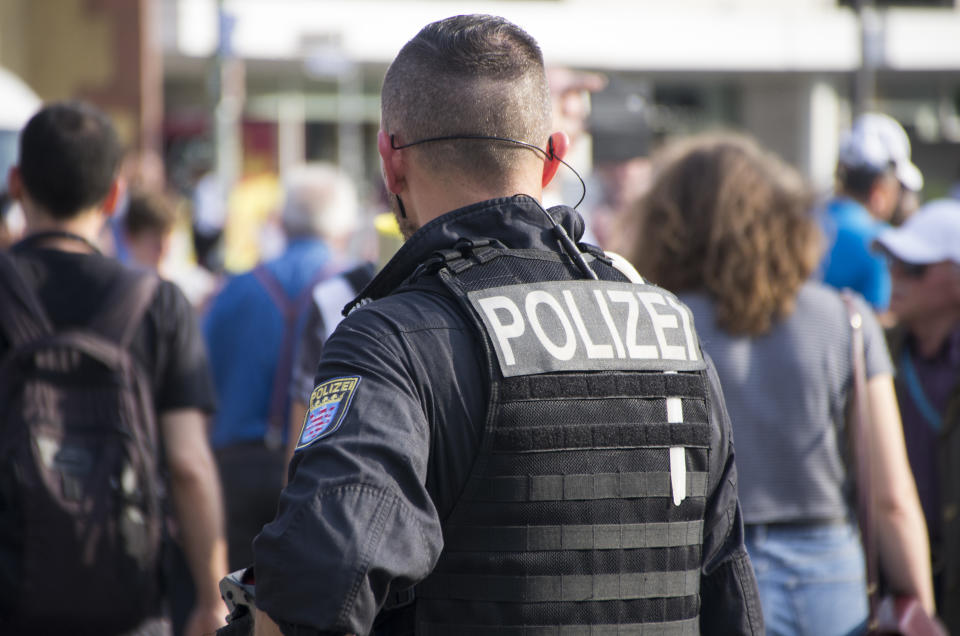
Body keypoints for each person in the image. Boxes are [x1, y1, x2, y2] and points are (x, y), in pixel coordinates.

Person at [249, 15, 762, 636]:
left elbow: (318, 592)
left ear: (391, 162)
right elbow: (729, 586)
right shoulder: (668, 327)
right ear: (554, 159)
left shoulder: (391, 342)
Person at [625, 132, 935, 635]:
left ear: (667, 222)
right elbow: (892, 497)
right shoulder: (848, 320)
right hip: (830, 575)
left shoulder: (652, 325)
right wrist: (920, 609)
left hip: (703, 570)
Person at [0, 101, 227, 634]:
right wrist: (209, 597)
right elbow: (190, 465)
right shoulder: (158, 304)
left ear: (15, 183)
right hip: (126, 600)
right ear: (115, 196)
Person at [204, 162, 360, 572]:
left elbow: (202, 385)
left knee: (232, 606)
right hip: (317, 477)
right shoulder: (354, 290)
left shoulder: (233, 289)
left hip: (231, 471)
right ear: (344, 225)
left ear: (283, 220)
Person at [874, 198, 960, 634]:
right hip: (895, 585)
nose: (896, 277)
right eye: (893, 263)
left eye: (915, 267)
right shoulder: (872, 356)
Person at [819, 112, 923, 312]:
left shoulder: (802, 224)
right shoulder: (881, 242)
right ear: (879, 190)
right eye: (899, 188)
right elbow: (880, 319)